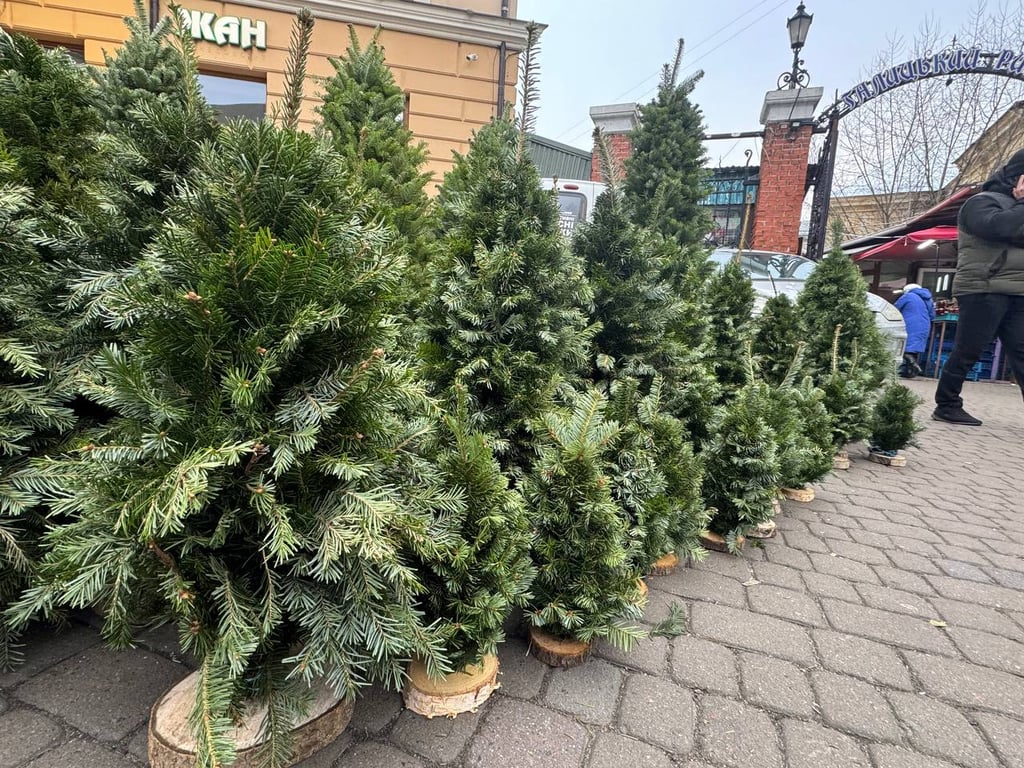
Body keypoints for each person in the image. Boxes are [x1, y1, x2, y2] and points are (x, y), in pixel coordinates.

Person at [933, 149, 1024, 425]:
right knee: (969, 348)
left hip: (1017, 289)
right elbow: (1000, 229)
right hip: (983, 287)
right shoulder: (980, 202)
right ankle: (946, 404)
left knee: (1022, 352)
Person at [894, 283, 935, 378]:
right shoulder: (928, 299)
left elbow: (895, 308)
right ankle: (909, 373)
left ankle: (914, 366)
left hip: (910, 324)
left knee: (904, 348)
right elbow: (932, 315)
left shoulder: (908, 296)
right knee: (913, 349)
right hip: (925, 325)